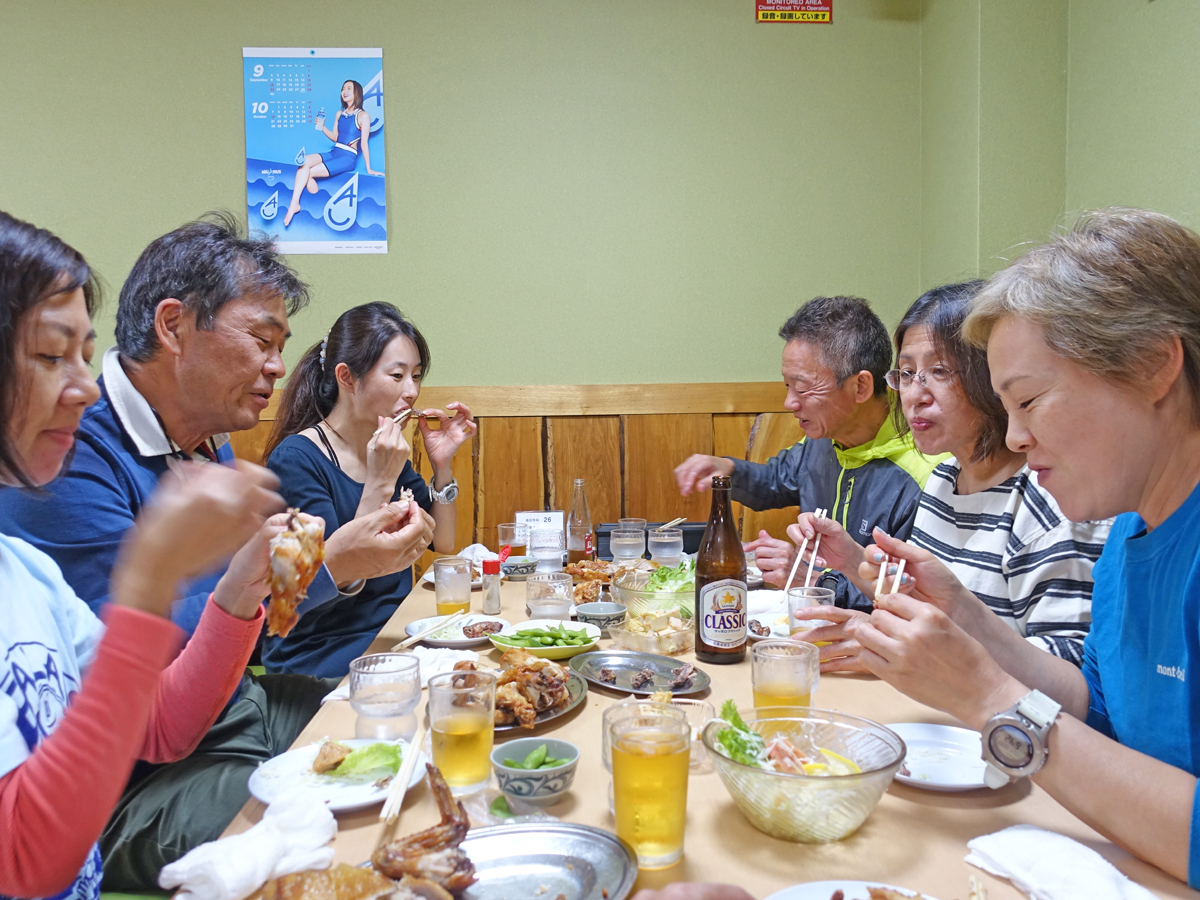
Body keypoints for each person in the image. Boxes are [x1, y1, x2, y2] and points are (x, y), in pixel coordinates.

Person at [0, 213, 434, 889]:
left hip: (216, 709)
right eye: (54, 355)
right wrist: (325, 566)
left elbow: (171, 701)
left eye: (82, 354)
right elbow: (142, 679)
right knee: (333, 828)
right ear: (173, 326)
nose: (277, 366)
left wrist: (259, 578)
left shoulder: (205, 437)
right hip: (135, 784)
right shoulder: (66, 458)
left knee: (403, 721)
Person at [848, 209, 1200, 887]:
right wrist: (969, 622)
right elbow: (1096, 710)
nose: (1013, 438)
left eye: (1030, 401)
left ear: (1156, 365)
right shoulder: (1128, 536)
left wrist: (990, 699)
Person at [0, 210, 291, 899]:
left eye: (83, 353)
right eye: (49, 355)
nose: (86, 386)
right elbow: (24, 856)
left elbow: (157, 723)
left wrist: (246, 582)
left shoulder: (26, 574)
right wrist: (148, 586)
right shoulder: (74, 470)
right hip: (131, 809)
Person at [791, 283, 1109, 670]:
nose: (915, 394)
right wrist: (850, 559)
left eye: (939, 371)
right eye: (906, 374)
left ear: (992, 378)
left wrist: (902, 646)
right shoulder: (945, 479)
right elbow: (923, 605)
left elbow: (1073, 669)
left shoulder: (1048, 495)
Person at [674, 295, 945, 611]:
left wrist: (815, 579)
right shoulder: (824, 440)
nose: (790, 402)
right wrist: (726, 468)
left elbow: (914, 598)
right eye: (787, 386)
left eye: (801, 388)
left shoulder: (926, 474)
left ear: (860, 387)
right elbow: (777, 480)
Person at [262, 302, 476, 677]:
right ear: (346, 377)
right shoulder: (297, 460)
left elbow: (442, 542)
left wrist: (442, 465)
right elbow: (324, 583)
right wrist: (379, 481)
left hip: (394, 635)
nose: (411, 390)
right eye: (397, 375)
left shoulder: (385, 449)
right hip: (321, 652)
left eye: (416, 375)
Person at [283, 79, 380, 227]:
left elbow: (364, 144)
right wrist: (322, 128)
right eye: (343, 89)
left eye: (349, 88)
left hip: (347, 158)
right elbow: (336, 137)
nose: (345, 91)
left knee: (308, 172)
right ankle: (295, 204)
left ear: (357, 93)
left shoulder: (363, 116)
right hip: (335, 151)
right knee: (304, 163)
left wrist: (369, 169)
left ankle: (293, 205)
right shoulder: (339, 114)